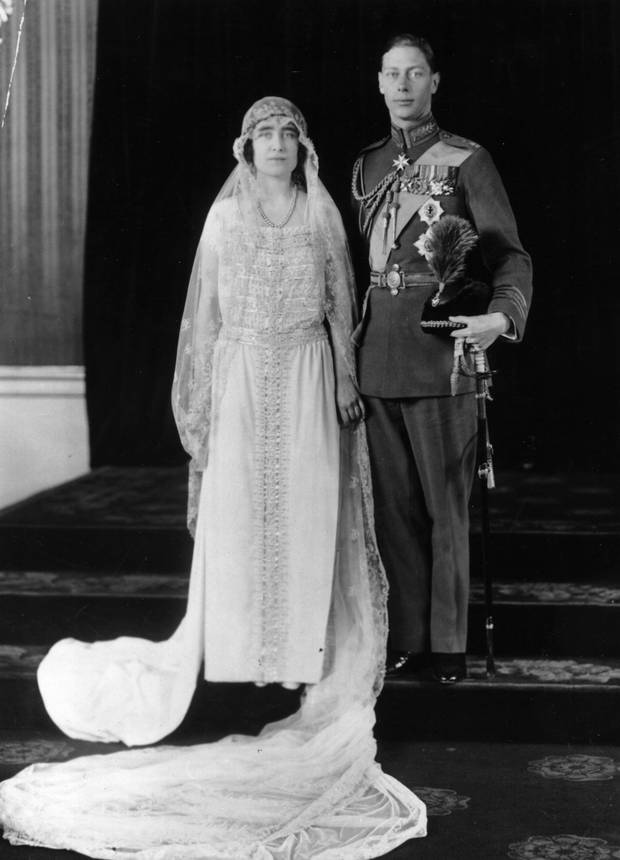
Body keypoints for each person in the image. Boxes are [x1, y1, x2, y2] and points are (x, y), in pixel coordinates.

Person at [0, 97, 426, 859]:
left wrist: (342, 380)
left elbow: (338, 301)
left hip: (306, 375)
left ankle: (298, 657)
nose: (276, 146)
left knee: (302, 518)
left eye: (287, 135)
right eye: (264, 135)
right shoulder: (224, 220)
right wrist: (205, 404)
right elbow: (204, 316)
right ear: (246, 147)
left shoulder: (321, 214)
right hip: (242, 380)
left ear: (302, 147)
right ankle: (236, 659)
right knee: (241, 520)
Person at [352, 35, 532, 684]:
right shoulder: (368, 168)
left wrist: (501, 316)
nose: (403, 86)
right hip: (378, 355)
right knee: (394, 512)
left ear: (435, 82)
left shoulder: (467, 161)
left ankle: (450, 645)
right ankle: (410, 639)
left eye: (415, 74)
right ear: (379, 83)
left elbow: (510, 256)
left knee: (445, 508)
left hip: (443, 353)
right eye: (392, 75)